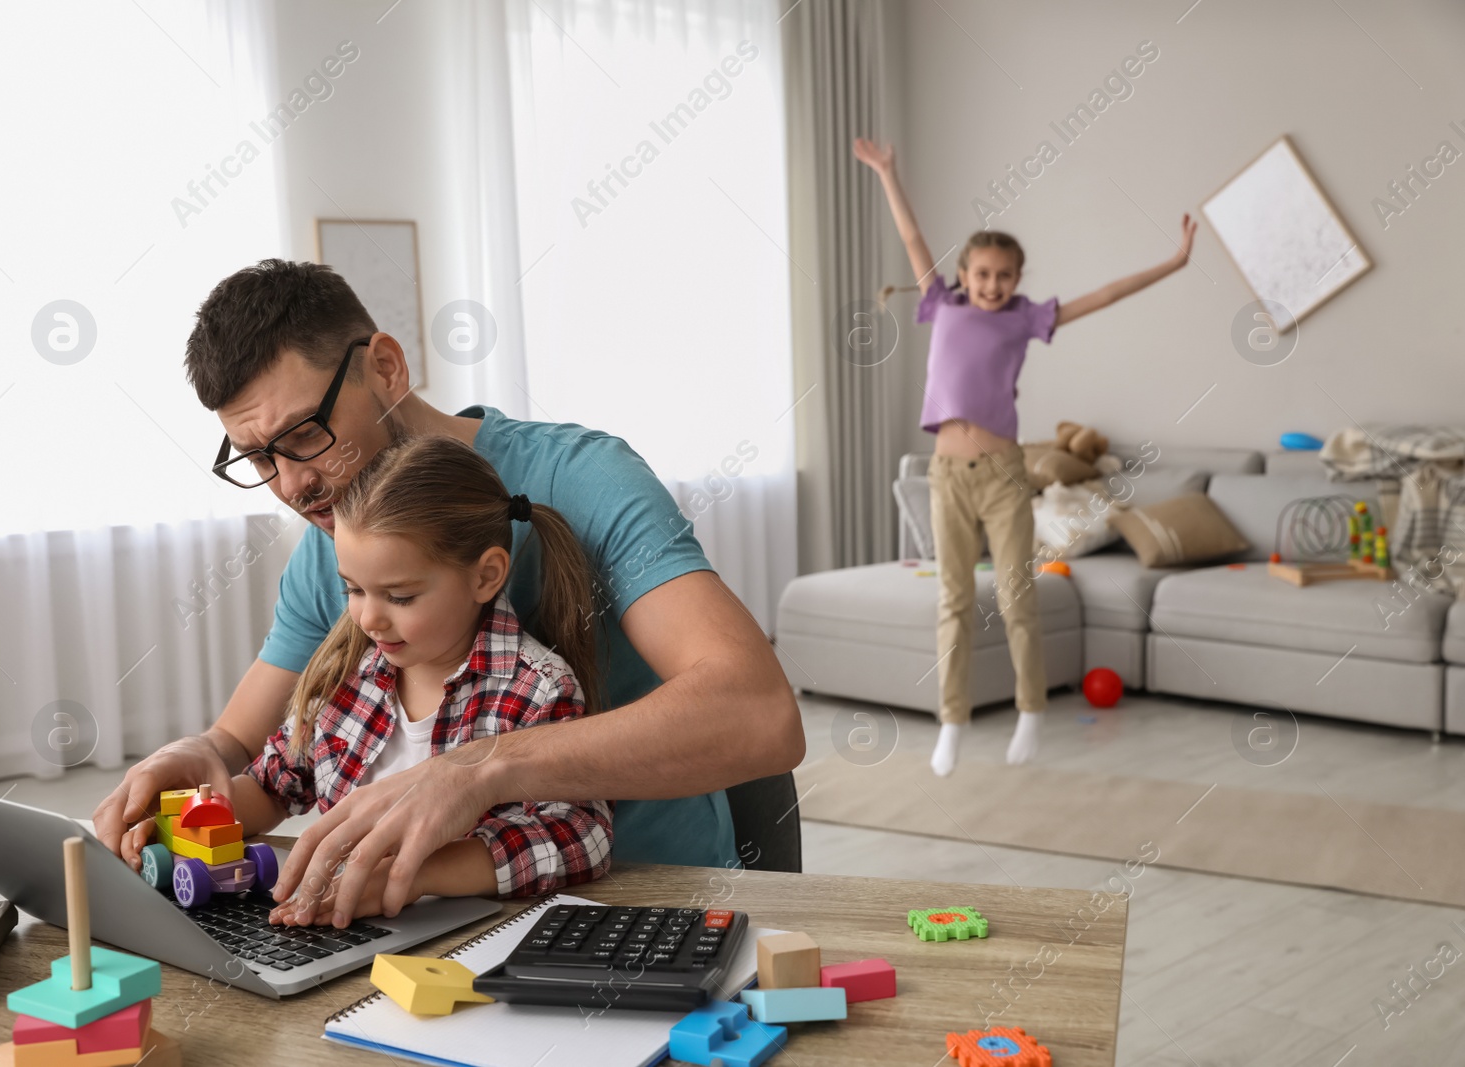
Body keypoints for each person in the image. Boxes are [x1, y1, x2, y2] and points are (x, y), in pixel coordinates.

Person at [93, 259, 804, 928]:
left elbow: (761, 715)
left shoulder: (587, 480)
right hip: (426, 929)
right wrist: (196, 757)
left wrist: (479, 770)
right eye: (258, 458)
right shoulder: (328, 546)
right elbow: (244, 746)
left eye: (304, 435)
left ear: (386, 368)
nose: (291, 485)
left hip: (635, 907)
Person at [120, 436, 613, 922]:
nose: (368, 619)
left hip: (475, 936)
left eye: (399, 596)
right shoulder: (350, 677)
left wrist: (416, 874)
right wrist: (184, 822)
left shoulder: (537, 689)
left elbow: (581, 836)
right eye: (353, 589)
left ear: (485, 576)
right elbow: (275, 785)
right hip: (344, 929)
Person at [853, 137, 1196, 776]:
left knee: (1015, 594)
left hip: (1005, 475)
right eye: (981, 274)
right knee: (954, 599)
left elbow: (1107, 296)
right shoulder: (941, 304)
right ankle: (951, 723)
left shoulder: (1025, 319)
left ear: (1017, 280)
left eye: (1004, 276)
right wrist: (886, 173)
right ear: (964, 276)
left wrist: (1173, 263)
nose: (991, 284)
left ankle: (1031, 710)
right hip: (947, 473)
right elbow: (911, 236)